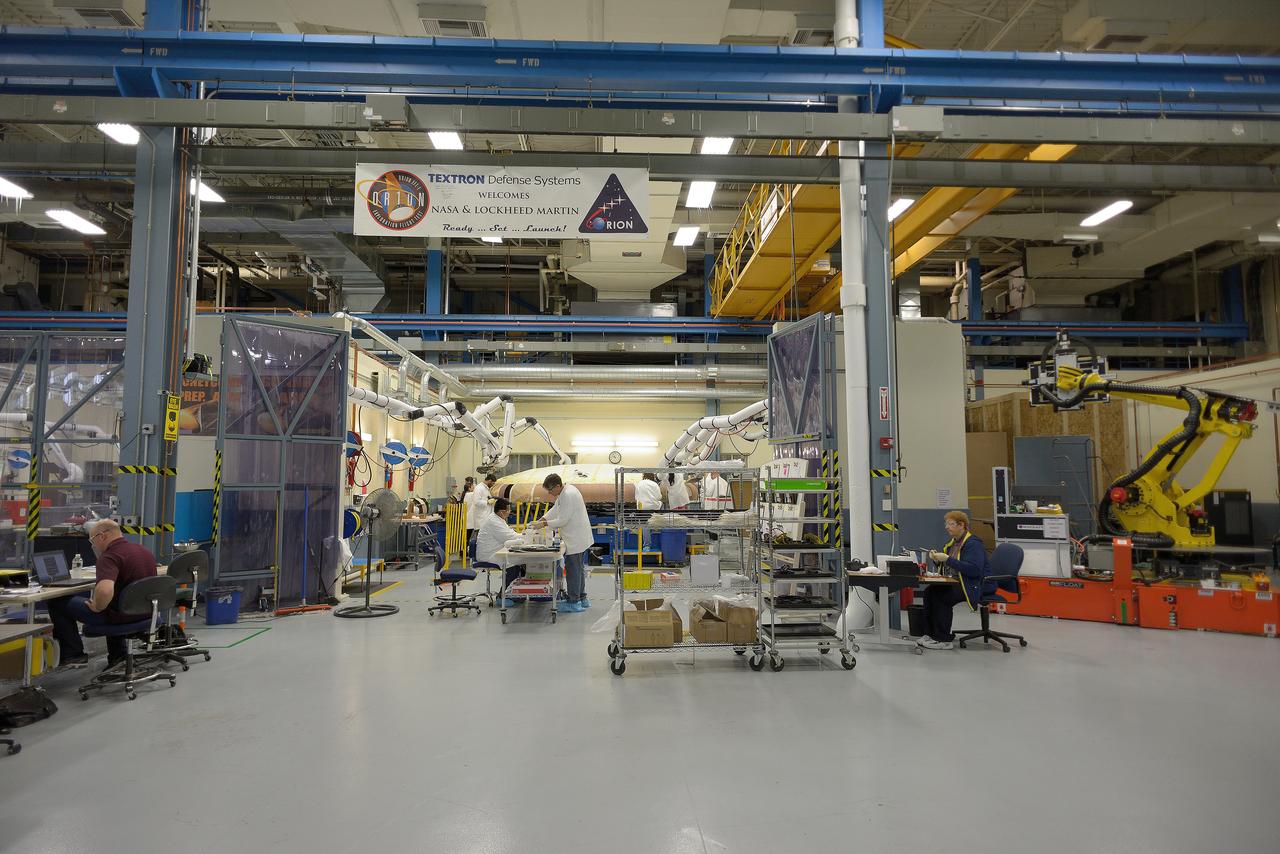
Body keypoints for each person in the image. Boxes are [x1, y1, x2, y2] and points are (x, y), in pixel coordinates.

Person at [46, 519, 159, 668]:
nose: (93, 546)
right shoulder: (144, 551)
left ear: (102, 536)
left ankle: (73, 654)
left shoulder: (109, 557)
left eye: (92, 540)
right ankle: (118, 655)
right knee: (114, 601)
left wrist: (97, 607)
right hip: (147, 613)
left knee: (58, 601)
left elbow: (105, 590)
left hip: (121, 617)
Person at [920, 510, 994, 650]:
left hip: (976, 583)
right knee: (930, 592)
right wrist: (937, 560)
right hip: (957, 581)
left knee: (942, 597)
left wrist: (948, 559)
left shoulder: (973, 544)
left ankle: (943, 639)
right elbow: (951, 565)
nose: (947, 527)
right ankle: (930, 634)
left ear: (962, 525)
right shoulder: (953, 543)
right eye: (946, 524)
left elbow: (974, 570)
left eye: (951, 524)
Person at [532, 473, 593, 613]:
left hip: (576, 538)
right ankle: (582, 598)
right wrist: (543, 518)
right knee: (578, 570)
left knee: (573, 570)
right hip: (578, 537)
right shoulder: (566, 492)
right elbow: (556, 509)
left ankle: (574, 602)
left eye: (550, 490)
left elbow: (563, 520)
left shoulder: (568, 495)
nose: (550, 493)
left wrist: (544, 524)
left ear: (558, 486)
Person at [476, 497, 526, 607]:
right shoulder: (493, 521)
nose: (509, 512)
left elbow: (509, 532)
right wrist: (525, 536)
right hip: (489, 555)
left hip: (496, 551)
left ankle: (516, 593)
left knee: (519, 561)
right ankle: (502, 596)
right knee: (512, 563)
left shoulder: (498, 519)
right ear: (502, 511)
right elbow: (508, 537)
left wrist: (522, 535)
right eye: (508, 510)